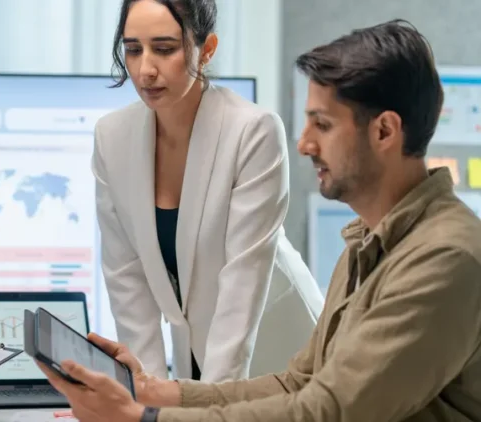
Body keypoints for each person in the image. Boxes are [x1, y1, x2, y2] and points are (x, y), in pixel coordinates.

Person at [37, 19, 481, 422]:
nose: (304, 144)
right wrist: (152, 391)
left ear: (384, 131)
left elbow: (329, 411)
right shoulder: (369, 241)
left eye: (322, 125)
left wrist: (142, 419)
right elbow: (296, 383)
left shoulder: (444, 258)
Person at [94, 0, 318, 382]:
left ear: (207, 49)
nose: (146, 69)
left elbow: (242, 286)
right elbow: (127, 280)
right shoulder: (112, 137)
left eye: (164, 49)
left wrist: (209, 405)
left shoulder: (253, 131)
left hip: (278, 348)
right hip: (193, 352)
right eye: (133, 50)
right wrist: (148, 398)